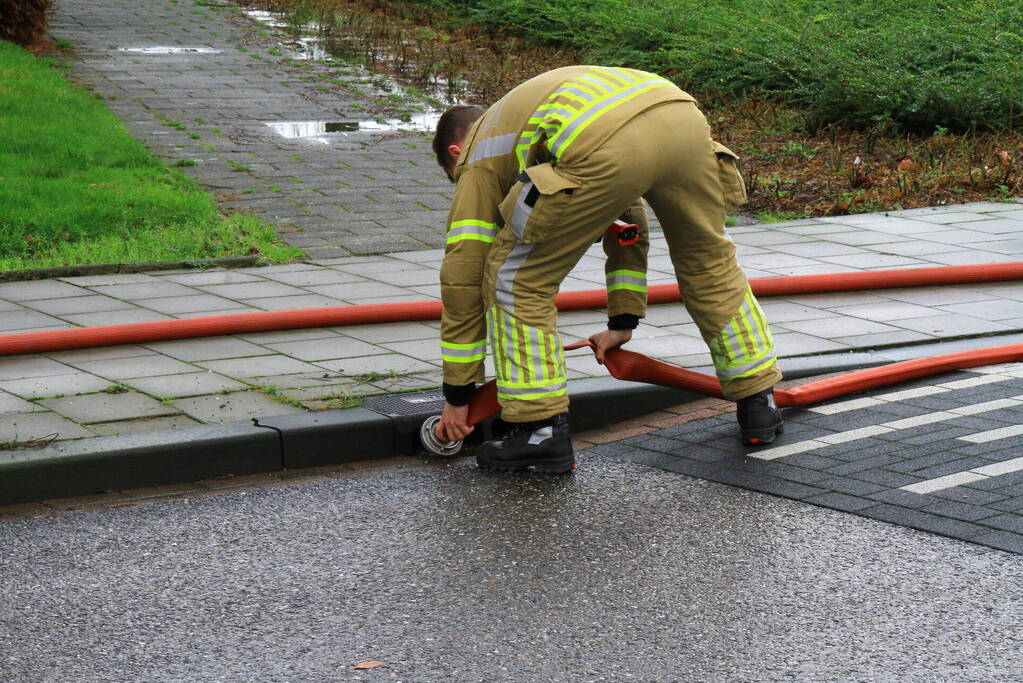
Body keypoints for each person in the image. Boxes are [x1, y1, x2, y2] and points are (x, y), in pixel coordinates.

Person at [431, 65, 783, 473]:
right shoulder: (530, 116)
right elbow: (626, 220)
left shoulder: (478, 156)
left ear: (455, 153)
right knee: (709, 262)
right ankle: (759, 403)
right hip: (679, 115)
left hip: (604, 135)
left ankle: (538, 430)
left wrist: (458, 395)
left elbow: (463, 276)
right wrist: (622, 321)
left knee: (514, 280)